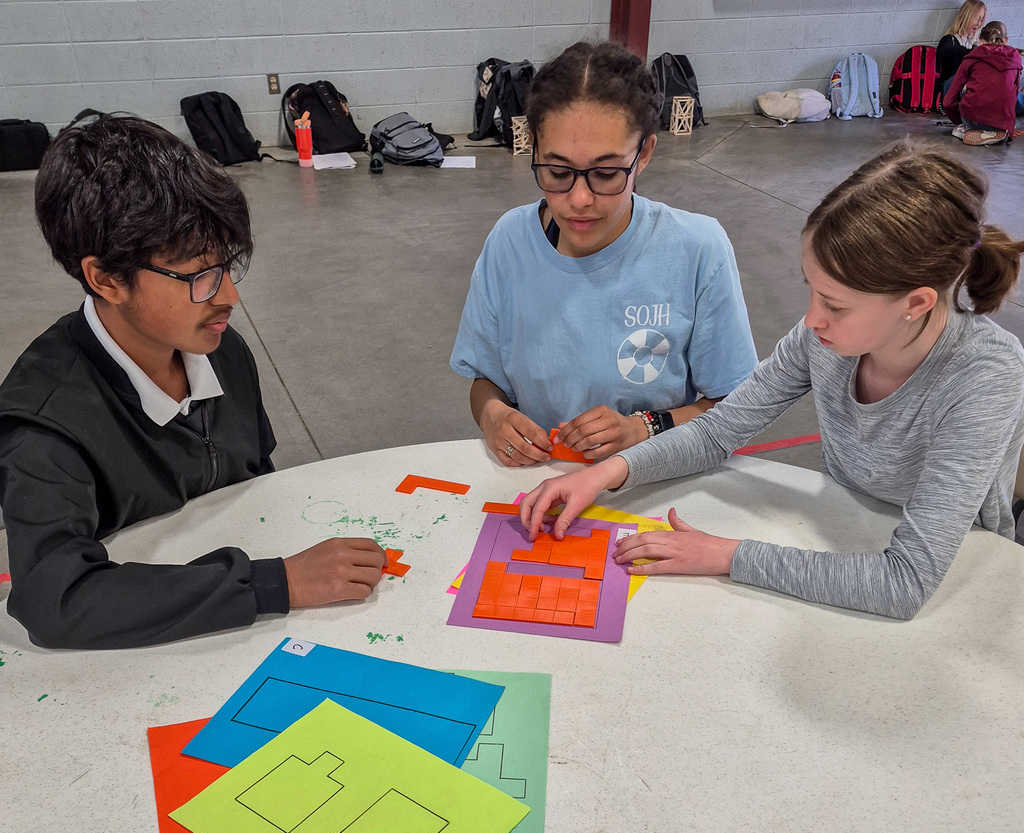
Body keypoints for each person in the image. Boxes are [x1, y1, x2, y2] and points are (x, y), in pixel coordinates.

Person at [520, 142, 1024, 621]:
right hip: (843, 529)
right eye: (813, 291)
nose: (811, 320)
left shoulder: (985, 377)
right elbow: (719, 431)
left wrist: (724, 554)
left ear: (916, 304)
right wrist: (607, 473)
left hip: (958, 573)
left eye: (835, 304)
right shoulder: (826, 340)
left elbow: (905, 582)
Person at [0, 114, 386, 650]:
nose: (229, 296)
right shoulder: (45, 426)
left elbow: (257, 485)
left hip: (240, 636)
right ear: (105, 278)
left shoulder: (220, 349)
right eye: (198, 275)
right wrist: (276, 582)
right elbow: (59, 599)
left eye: (229, 265)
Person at [450, 40, 757, 469]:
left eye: (607, 174)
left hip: (652, 488)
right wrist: (493, 415)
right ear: (533, 147)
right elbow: (487, 381)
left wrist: (643, 428)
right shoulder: (510, 243)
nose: (579, 199)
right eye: (557, 171)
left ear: (644, 153)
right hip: (541, 488)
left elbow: (733, 410)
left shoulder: (697, 250)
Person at [943, 20, 1022, 145]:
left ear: (980, 41)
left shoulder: (972, 57)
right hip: (1002, 121)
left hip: (973, 119)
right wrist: (1009, 124)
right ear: (1006, 40)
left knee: (952, 82)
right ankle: (995, 131)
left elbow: (948, 102)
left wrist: (958, 120)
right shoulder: (1015, 57)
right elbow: (1013, 93)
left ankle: (967, 128)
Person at [938, 1, 987, 98]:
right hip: (949, 89)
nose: (979, 24)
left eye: (981, 20)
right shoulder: (949, 41)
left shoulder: (971, 43)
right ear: (965, 17)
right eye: (977, 19)